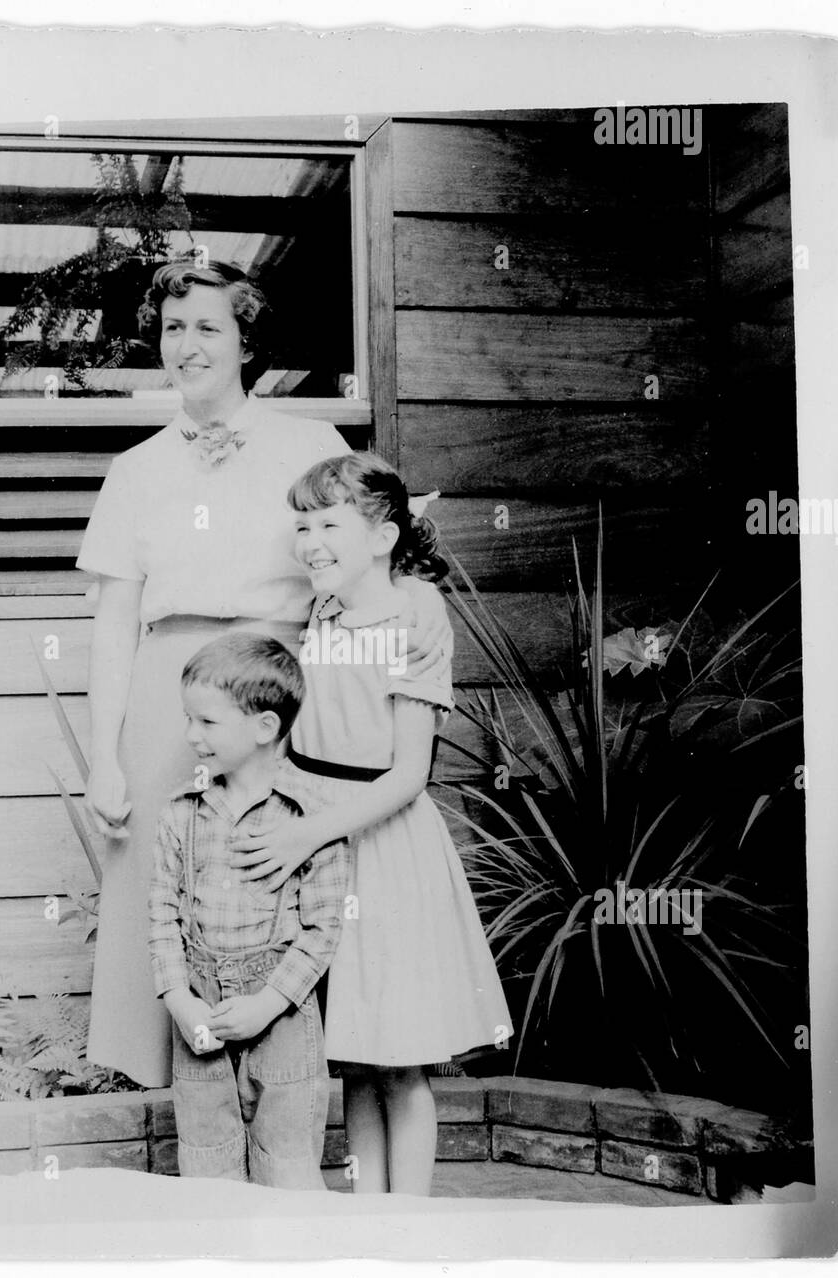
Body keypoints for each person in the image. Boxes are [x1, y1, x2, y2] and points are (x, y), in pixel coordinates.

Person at [77, 256, 444, 1088]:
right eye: (174, 328)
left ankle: (288, 1096)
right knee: (171, 873)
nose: (187, 344)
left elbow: (361, 553)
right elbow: (111, 621)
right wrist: (104, 753)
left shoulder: (309, 443)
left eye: (208, 326)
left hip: (284, 683)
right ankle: (181, 1105)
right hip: (174, 687)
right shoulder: (135, 470)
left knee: (277, 868)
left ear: (246, 340)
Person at [234, 453, 514, 1196]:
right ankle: (368, 1223)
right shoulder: (325, 608)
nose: (309, 540)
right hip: (320, 836)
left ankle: (409, 1227)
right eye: (302, 524)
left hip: (382, 845)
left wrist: (305, 834)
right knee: (356, 1051)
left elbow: (408, 774)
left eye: (328, 524)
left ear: (384, 537)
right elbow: (308, 733)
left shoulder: (415, 611)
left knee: (400, 1056)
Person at [147, 633, 349, 1188]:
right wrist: (181, 1002)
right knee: (207, 1165)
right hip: (200, 1019)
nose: (191, 736)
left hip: (281, 1015)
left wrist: (266, 1003)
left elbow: (324, 927)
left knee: (287, 1167)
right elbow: (162, 919)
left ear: (265, 727)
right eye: (188, 719)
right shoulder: (180, 815)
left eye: (207, 723)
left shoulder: (310, 817)